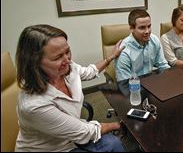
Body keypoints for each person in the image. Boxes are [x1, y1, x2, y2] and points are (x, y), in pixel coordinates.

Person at [15, 24, 125, 152]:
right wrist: (119, 125)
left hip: (72, 136)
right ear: (34, 62)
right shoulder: (33, 105)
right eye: (57, 57)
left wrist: (111, 56)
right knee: (113, 144)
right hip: (53, 148)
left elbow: (89, 71)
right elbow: (85, 132)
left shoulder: (67, 67)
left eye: (67, 51)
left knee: (113, 143)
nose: (67, 60)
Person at [115, 9, 170, 81]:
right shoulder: (123, 50)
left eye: (149, 26)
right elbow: (124, 82)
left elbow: (163, 65)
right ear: (132, 28)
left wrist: (171, 77)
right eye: (142, 27)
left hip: (151, 82)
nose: (147, 31)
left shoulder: (154, 40)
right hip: (133, 87)